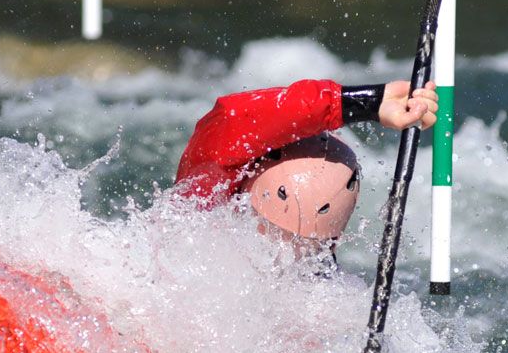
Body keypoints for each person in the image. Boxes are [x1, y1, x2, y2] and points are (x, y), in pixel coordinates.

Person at [174, 79, 439, 251]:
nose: (287, 255)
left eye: (306, 249)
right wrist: (366, 102)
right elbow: (234, 119)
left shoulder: (333, 302)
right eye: (274, 237)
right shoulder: (197, 213)